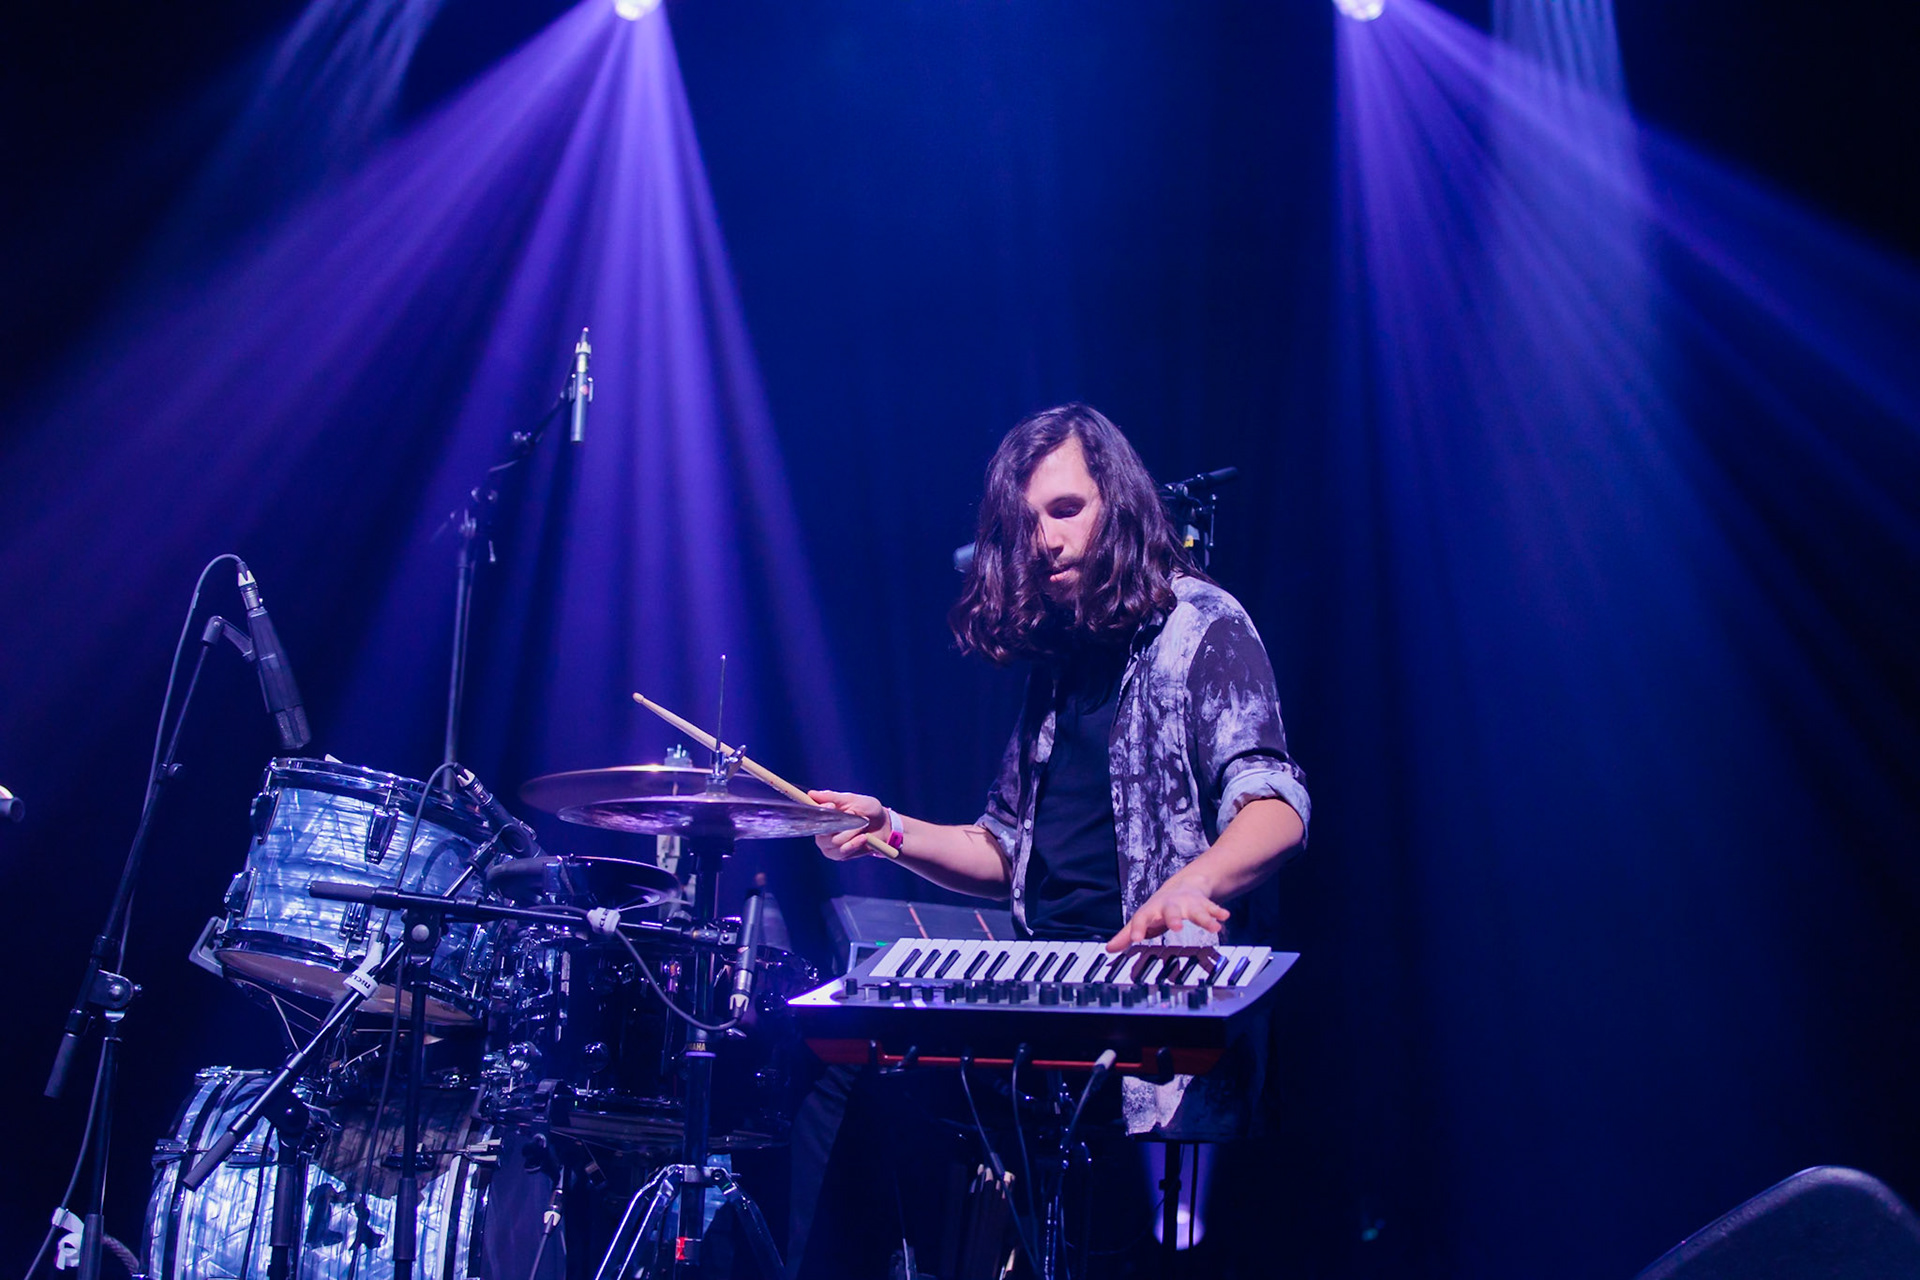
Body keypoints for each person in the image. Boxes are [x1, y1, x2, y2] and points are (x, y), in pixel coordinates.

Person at [808, 401, 1310, 1138]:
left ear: (1121, 506)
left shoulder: (1205, 626)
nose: (1045, 540)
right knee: (850, 1075)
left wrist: (1191, 884)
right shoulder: (1061, 662)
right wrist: (887, 830)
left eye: (1067, 509)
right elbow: (1006, 851)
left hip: (1149, 1003)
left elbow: (1277, 808)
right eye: (1028, 523)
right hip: (1052, 985)